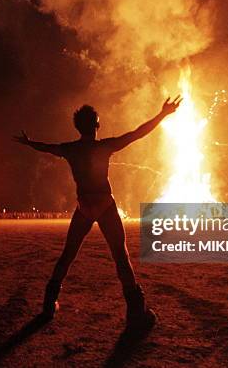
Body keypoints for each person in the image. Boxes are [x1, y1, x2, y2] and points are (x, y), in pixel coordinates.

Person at [13, 96, 182, 331]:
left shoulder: (70, 149)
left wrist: (29, 142)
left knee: (68, 254)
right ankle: (136, 312)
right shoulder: (104, 146)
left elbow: (47, 147)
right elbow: (137, 133)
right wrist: (163, 114)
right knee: (120, 257)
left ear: (78, 127)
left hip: (84, 205)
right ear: (96, 125)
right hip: (104, 204)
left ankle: (49, 303)